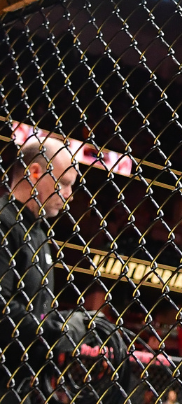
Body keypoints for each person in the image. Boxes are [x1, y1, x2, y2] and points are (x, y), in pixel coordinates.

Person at [0, 135, 84, 403]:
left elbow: (35, 313)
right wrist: (61, 329)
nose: (69, 195)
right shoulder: (3, 224)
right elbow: (4, 314)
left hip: (22, 383)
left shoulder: (39, 234)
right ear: (35, 172)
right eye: (64, 183)